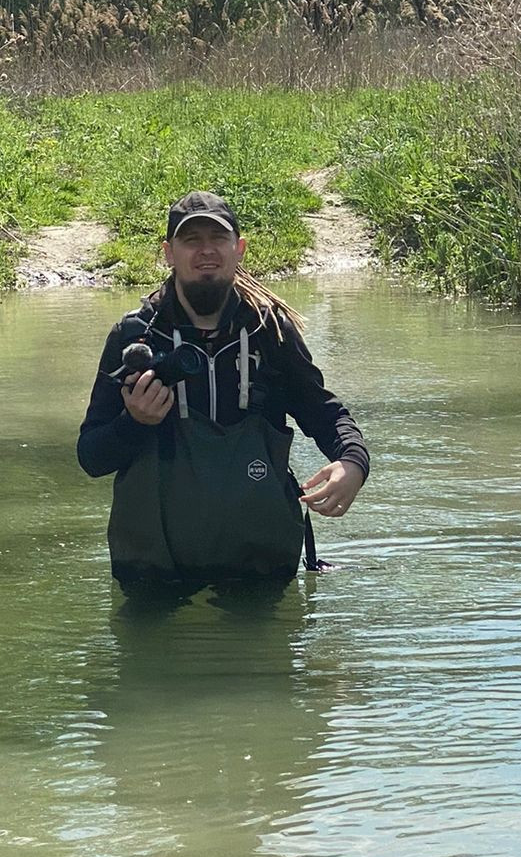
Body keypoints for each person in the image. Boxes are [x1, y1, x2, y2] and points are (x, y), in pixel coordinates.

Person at [77, 191, 369, 587]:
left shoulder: (271, 333)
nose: (206, 251)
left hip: (257, 562)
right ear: (168, 252)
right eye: (191, 240)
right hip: (155, 569)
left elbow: (325, 413)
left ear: (239, 249)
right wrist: (134, 423)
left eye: (217, 239)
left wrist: (353, 463)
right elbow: (91, 457)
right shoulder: (133, 340)